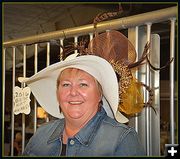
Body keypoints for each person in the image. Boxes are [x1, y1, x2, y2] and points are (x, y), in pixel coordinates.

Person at [22, 53, 146, 156]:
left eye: (83, 84)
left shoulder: (121, 140)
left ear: (99, 94)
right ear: (57, 93)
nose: (73, 92)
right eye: (66, 84)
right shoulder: (41, 135)